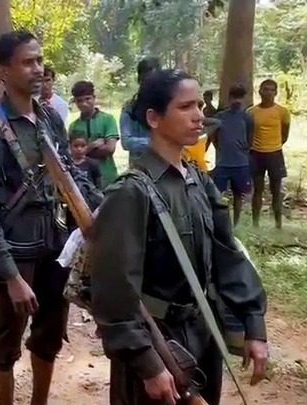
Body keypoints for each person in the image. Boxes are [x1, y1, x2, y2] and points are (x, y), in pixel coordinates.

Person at [89, 69, 269, 405]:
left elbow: (227, 255)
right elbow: (114, 291)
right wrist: (148, 364)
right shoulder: (130, 192)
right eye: (185, 107)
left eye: (199, 105)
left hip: (203, 333)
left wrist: (253, 324)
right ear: (154, 118)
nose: (199, 115)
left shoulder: (199, 180)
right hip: (158, 342)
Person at [0, 31, 71, 405]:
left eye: (40, 60)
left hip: (54, 247)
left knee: (50, 335)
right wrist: (10, 276)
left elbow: (70, 176)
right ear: (3, 72)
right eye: (28, 62)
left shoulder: (49, 118)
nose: (38, 69)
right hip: (13, 251)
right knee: (7, 340)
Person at [248, 79, 291, 229]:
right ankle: (255, 224)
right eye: (265, 89)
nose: (268, 93)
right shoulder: (251, 112)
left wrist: (274, 145)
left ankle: (278, 225)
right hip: (256, 155)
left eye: (271, 90)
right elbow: (248, 133)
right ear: (259, 91)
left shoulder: (282, 112)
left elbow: (285, 134)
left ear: (276, 92)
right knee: (257, 190)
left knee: (276, 190)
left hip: (275, 155)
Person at [209, 84, 254, 226]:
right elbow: (213, 136)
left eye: (240, 97)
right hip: (223, 163)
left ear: (244, 99)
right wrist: (219, 148)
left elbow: (250, 137)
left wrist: (246, 148)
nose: (237, 100)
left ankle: (236, 223)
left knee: (238, 194)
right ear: (229, 98)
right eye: (234, 97)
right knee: (218, 195)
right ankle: (221, 222)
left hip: (240, 163)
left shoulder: (246, 117)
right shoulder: (220, 117)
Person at [68, 80, 119, 187]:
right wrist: (93, 145)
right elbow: (71, 155)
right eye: (79, 101)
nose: (84, 103)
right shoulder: (74, 126)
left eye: (88, 99)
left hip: (107, 178)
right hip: (84, 181)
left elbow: (109, 149)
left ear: (94, 98)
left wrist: (83, 151)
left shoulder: (107, 119)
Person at [120, 57, 161, 165]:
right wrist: (156, 143)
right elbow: (126, 142)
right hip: (139, 167)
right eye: (146, 80)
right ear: (139, 80)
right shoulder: (130, 107)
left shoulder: (167, 105)